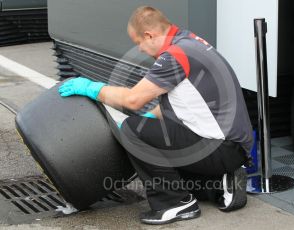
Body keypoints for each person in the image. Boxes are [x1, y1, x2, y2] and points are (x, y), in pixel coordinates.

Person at [58, 6, 253, 225]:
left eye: (138, 43)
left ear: (149, 35)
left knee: (134, 130)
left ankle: (175, 204)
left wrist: (91, 88)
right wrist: (150, 119)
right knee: (153, 145)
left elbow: (133, 100)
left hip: (221, 148)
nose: (140, 50)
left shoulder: (176, 55)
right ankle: (218, 183)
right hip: (229, 147)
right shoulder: (189, 42)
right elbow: (184, 104)